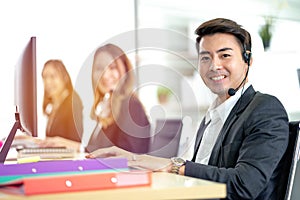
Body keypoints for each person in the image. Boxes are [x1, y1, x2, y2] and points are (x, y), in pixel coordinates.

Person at [86, 18, 290, 200]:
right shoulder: (212, 116)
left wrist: (175, 167)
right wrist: (133, 159)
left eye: (225, 55)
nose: (214, 65)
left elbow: (245, 185)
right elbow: (196, 171)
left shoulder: (264, 109)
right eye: (205, 58)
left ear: (248, 61)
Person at [85, 43, 150, 154]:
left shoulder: (131, 105)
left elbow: (128, 157)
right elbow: (95, 149)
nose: (105, 75)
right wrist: (69, 146)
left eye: (112, 67)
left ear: (125, 69)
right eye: (99, 68)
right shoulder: (111, 106)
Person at [39, 59, 83, 145]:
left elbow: (76, 142)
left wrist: (58, 141)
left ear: (64, 77)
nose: (47, 82)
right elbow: (51, 140)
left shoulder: (73, 101)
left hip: (70, 157)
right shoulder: (54, 106)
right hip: (57, 157)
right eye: (44, 77)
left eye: (52, 76)